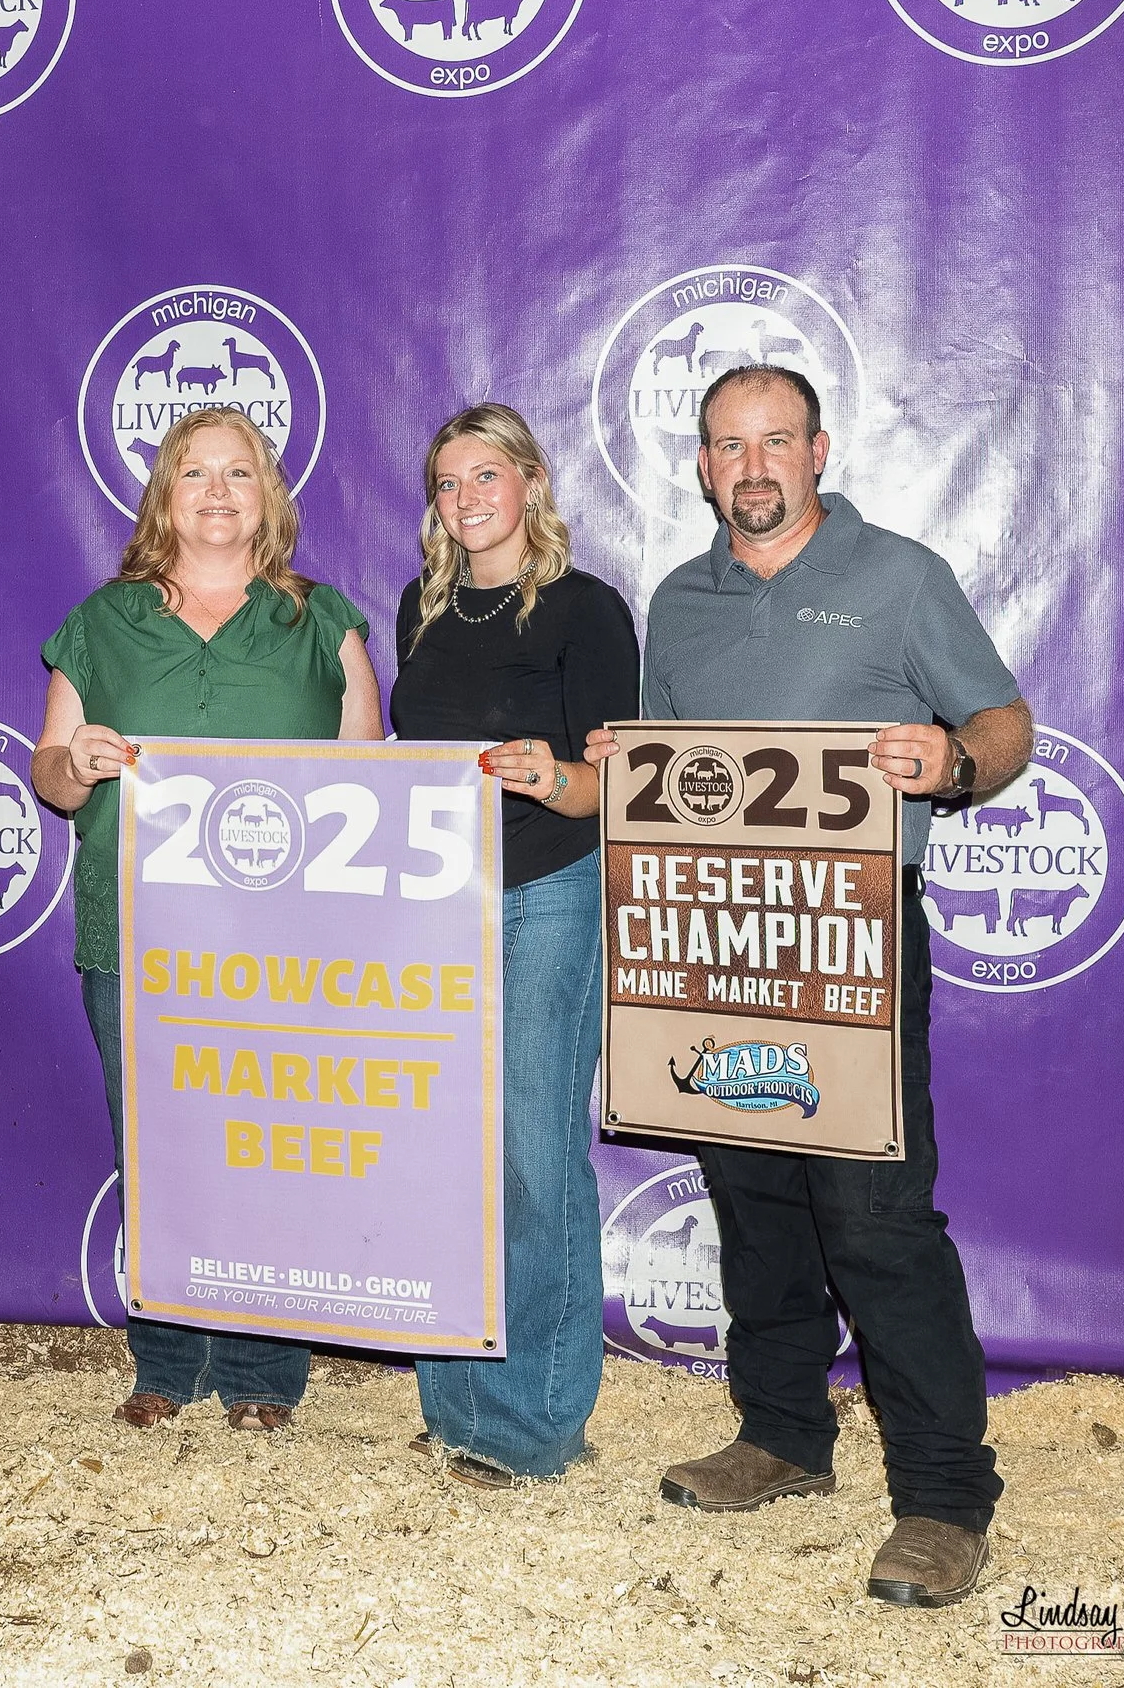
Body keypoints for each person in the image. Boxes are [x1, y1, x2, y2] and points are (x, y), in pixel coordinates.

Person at [585, 365, 1032, 1608]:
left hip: (856, 940)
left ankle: (943, 1496)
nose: (753, 466)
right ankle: (782, 1434)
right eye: (729, 446)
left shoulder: (900, 577)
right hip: (719, 941)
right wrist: (626, 765)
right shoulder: (678, 601)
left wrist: (951, 759)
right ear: (702, 466)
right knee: (754, 1200)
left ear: (818, 450)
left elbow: (1005, 723)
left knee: (876, 1220)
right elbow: (675, 775)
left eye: (774, 441)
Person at [33, 405, 384, 1432]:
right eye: (195, 473)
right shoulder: (101, 621)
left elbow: (373, 778)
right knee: (156, 1147)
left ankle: (265, 1370)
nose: (218, 492)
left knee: (273, 1148)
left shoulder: (324, 621)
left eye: (239, 472)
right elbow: (50, 773)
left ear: (269, 496)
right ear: (165, 496)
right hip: (137, 936)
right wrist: (75, 761)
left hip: (287, 946)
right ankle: (166, 1357)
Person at [388, 403, 638, 1487]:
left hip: (548, 893)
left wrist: (552, 776)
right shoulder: (421, 606)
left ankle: (536, 1421)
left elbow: (613, 785)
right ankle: (456, 1403)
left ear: (532, 482)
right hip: (443, 905)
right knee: (449, 1158)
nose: (466, 498)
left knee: (534, 1159)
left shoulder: (587, 609)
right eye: (447, 483)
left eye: (486, 475)